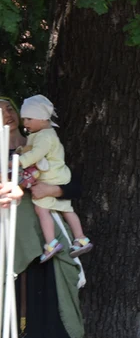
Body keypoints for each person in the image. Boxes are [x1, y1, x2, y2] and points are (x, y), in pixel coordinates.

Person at [5, 97, 86, 338]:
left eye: (10, 108)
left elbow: (71, 183)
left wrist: (54, 189)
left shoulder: (42, 141)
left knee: (60, 300)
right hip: (14, 240)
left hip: (48, 235)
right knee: (22, 306)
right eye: (0, 112)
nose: (8, 115)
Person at [16, 95, 91, 261]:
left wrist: (18, 162)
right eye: (24, 119)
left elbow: (36, 153)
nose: (25, 123)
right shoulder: (43, 133)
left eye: (29, 118)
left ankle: (51, 243)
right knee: (67, 209)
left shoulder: (44, 136)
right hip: (59, 176)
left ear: (42, 118)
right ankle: (81, 238)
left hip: (51, 178)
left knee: (41, 209)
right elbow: (31, 148)